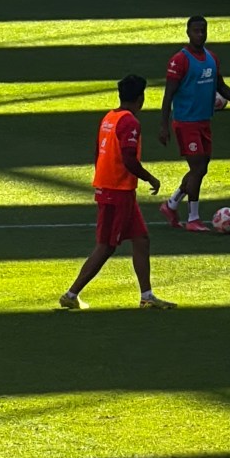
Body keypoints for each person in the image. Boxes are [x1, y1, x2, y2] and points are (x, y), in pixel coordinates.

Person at [59, 74, 176, 311]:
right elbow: (129, 159)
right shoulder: (130, 122)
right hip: (118, 191)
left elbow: (97, 153)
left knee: (141, 240)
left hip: (114, 188)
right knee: (106, 246)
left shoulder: (109, 118)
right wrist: (149, 177)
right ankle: (71, 294)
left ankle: (146, 296)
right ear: (140, 98)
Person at [158, 15, 230, 232]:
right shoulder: (179, 60)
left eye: (203, 30)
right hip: (186, 122)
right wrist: (163, 125)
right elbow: (168, 95)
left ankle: (171, 204)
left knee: (202, 168)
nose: (200, 34)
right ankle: (193, 219)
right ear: (188, 32)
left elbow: (222, 88)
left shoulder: (212, 58)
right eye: (196, 31)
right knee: (197, 168)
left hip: (204, 122)